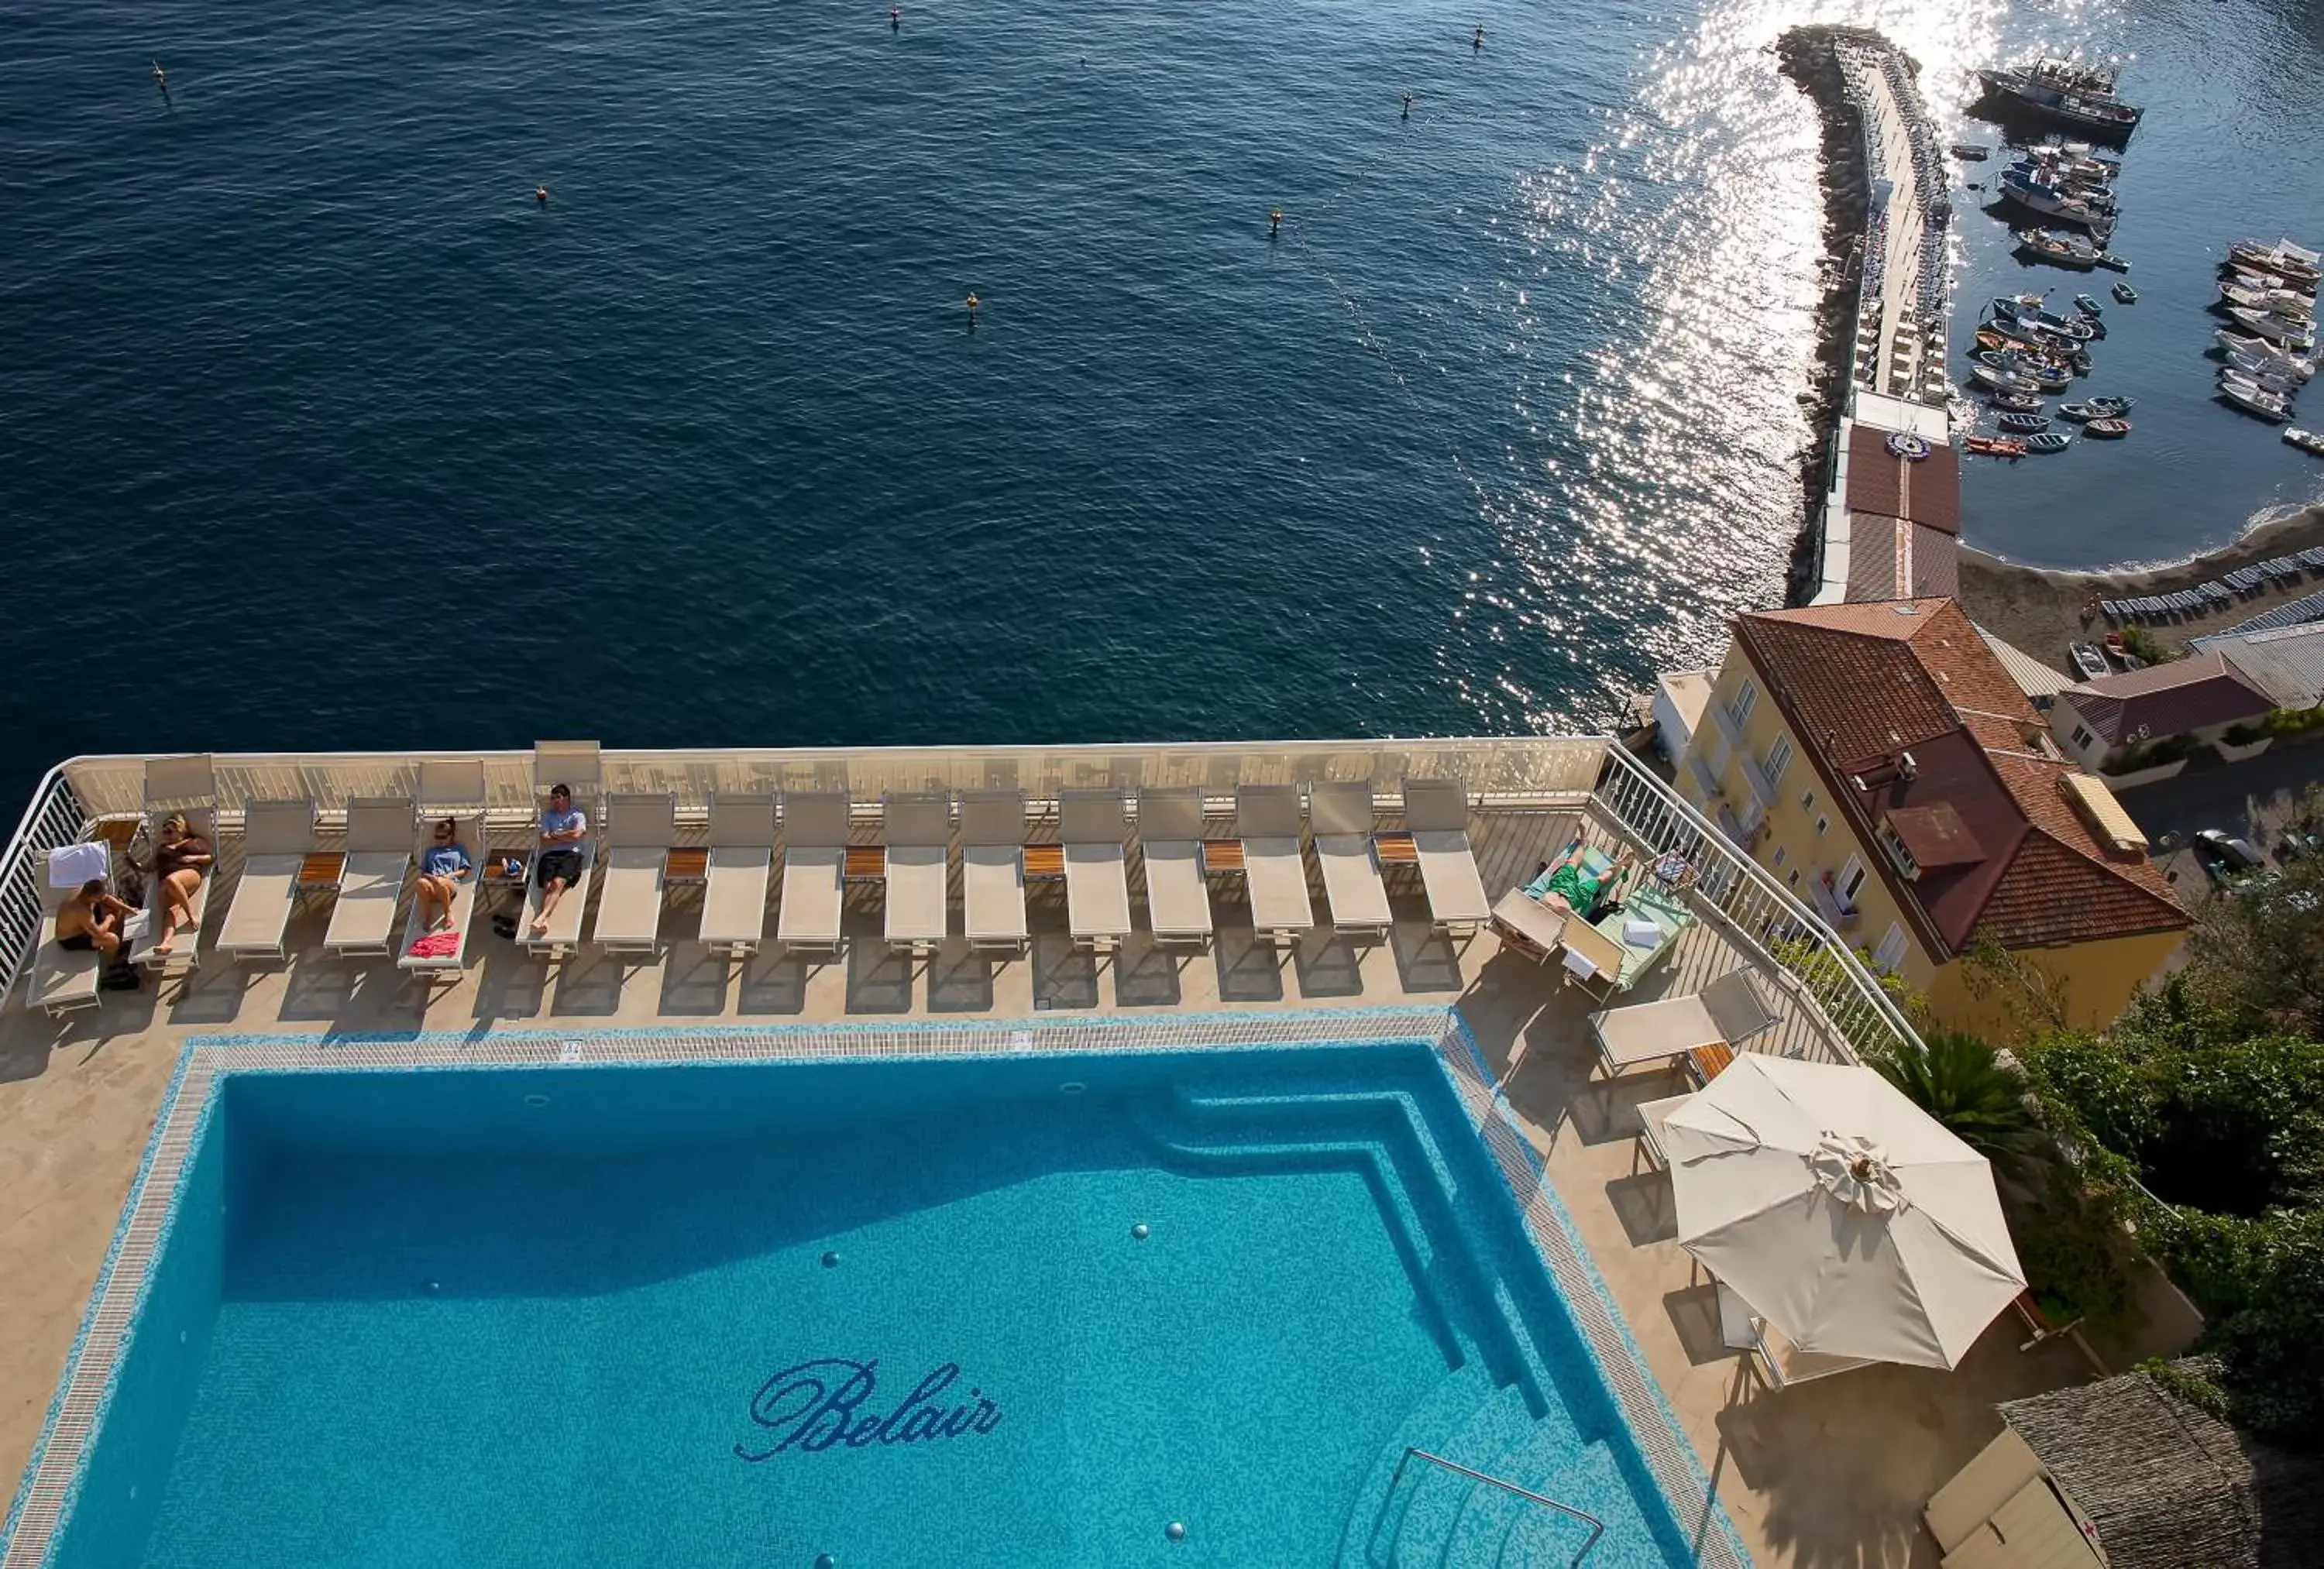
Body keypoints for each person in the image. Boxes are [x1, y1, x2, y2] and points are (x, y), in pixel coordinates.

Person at [147, 813, 213, 956]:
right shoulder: (163, 846)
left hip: (189, 875)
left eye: (169, 831)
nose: (166, 835)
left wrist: (192, 858)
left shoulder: (194, 841)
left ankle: (191, 915)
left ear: (181, 829)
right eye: (164, 832)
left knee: (172, 880)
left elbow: (209, 858)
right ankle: (166, 943)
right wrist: (134, 864)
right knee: (169, 911)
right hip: (166, 883)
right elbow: (149, 867)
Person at [530, 784, 587, 937]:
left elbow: (577, 836)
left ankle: (541, 917)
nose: (554, 801)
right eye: (553, 798)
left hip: (571, 854)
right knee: (548, 885)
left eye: (558, 798)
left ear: (566, 798)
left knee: (557, 883)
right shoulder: (549, 816)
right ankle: (545, 920)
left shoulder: (577, 814)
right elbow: (544, 841)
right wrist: (564, 836)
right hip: (551, 854)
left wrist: (555, 835)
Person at [1521, 839, 1632, 917]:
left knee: (1571, 864)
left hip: (1558, 887)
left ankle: (1584, 843)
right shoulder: (1548, 929)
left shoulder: (1521, 918)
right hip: (1576, 898)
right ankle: (1619, 865)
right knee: (1600, 880)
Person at [415, 817, 473, 932]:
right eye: (437, 837)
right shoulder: (430, 851)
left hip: (449, 882)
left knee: (441, 882)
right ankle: (428, 915)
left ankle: (448, 913)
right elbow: (424, 873)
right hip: (432, 883)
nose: (439, 840)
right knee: (420, 882)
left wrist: (449, 876)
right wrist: (430, 877)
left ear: (451, 836)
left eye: (443, 837)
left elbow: (464, 870)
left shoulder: (459, 849)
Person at [56, 879, 136, 960]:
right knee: (113, 940)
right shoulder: (82, 912)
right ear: (91, 897)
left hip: (84, 923)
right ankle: (110, 961)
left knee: (117, 905)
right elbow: (99, 933)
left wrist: (128, 909)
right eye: (100, 898)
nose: (103, 898)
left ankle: (114, 938)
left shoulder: (82, 892)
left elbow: (107, 898)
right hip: (71, 939)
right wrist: (109, 919)